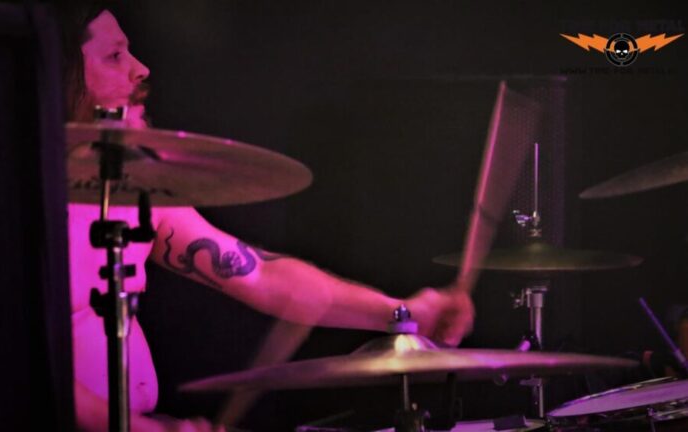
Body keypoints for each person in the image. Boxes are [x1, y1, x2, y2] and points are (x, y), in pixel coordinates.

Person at [60, 4, 474, 431]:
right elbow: (21, 372)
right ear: (59, 79)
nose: (141, 69)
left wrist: (402, 312)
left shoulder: (133, 194)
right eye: (115, 56)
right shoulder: (26, 213)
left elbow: (260, 275)